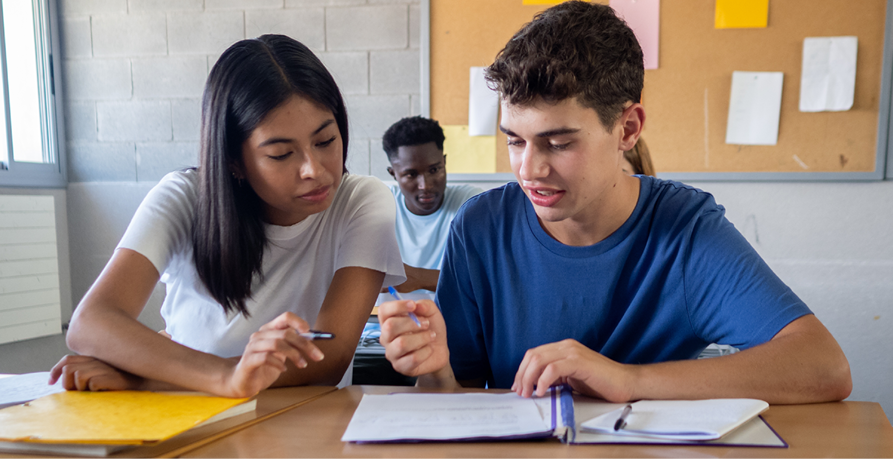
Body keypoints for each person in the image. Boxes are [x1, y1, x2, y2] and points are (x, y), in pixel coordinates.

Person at [378, 1, 851, 404]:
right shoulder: (480, 228)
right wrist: (433, 369)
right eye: (515, 142)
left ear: (627, 129)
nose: (529, 170)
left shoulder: (684, 230)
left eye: (558, 143)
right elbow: (452, 394)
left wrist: (627, 379)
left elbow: (824, 366)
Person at [49, 35, 405, 398]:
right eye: (282, 154)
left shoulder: (361, 199)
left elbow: (330, 356)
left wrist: (147, 378)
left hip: (296, 412)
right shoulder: (185, 195)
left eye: (326, 141)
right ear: (234, 161)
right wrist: (227, 377)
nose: (313, 169)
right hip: (182, 412)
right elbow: (90, 322)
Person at [382, 116, 481, 293]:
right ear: (393, 174)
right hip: (385, 318)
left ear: (444, 163)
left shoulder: (471, 204)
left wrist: (418, 277)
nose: (425, 185)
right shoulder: (379, 205)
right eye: (411, 174)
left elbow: (485, 279)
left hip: (446, 320)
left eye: (434, 170)